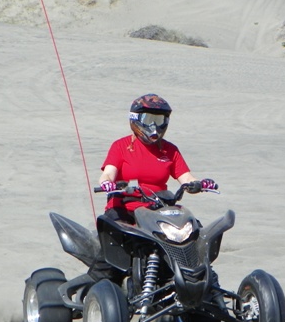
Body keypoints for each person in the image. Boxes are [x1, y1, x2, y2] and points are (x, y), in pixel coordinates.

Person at [88, 93, 217, 282]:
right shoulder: (121, 146)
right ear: (135, 120)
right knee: (112, 242)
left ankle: (202, 283)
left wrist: (200, 183)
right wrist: (107, 182)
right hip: (126, 209)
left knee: (193, 231)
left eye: (159, 119)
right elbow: (108, 172)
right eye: (149, 119)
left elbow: (186, 177)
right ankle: (96, 288)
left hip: (158, 210)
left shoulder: (169, 150)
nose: (154, 125)